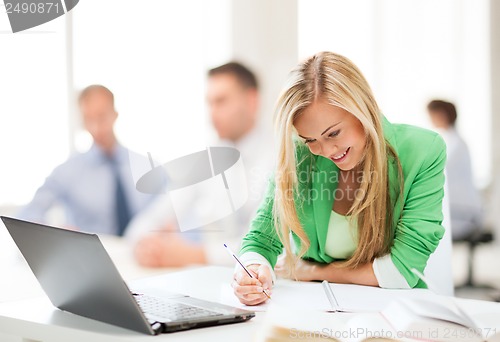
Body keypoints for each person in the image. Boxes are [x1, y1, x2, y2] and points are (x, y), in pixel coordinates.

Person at [232, 52, 447, 306]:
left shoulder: (423, 151)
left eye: (333, 133)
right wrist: (252, 271)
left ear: (361, 108)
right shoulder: (299, 153)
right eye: (311, 140)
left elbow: (403, 271)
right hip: (314, 309)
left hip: (391, 312)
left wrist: (314, 272)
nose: (326, 150)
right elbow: (261, 238)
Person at [126, 62, 274, 266]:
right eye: (209, 103)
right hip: (208, 280)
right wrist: (145, 245)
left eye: (221, 101)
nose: (212, 113)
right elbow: (148, 220)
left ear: (252, 101)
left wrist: (195, 255)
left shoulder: (280, 158)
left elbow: (270, 246)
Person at [18, 85, 157, 236]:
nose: (96, 128)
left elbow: (167, 214)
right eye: (88, 119)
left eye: (101, 117)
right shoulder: (68, 171)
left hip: (143, 256)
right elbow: (27, 216)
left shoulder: (147, 167)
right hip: (92, 255)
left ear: (115, 115)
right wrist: (54, 233)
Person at [427, 100, 483, 240]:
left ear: (442, 115)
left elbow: (438, 175)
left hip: (463, 214)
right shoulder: (451, 140)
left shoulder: (456, 145)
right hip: (458, 210)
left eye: (432, 115)